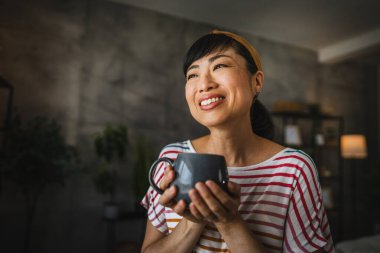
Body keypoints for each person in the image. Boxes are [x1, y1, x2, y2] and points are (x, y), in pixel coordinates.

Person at [140, 30, 334, 253]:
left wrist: (229, 221)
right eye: (192, 75)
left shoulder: (294, 169)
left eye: (220, 66)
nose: (204, 84)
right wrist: (193, 219)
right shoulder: (171, 158)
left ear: (257, 81)